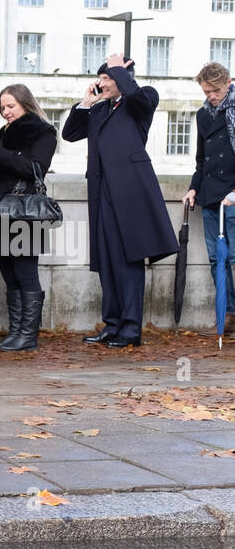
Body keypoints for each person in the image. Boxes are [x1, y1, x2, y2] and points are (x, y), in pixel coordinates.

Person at [63, 54, 178, 347]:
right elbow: (70, 133)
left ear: (123, 77)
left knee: (129, 261)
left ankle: (130, 328)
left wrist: (119, 69)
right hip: (102, 193)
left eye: (108, 78)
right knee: (107, 259)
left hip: (130, 194)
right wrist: (86, 102)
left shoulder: (142, 99)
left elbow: (139, 99)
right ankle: (112, 324)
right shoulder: (100, 110)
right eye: (100, 78)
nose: (102, 83)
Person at [0, 84, 58, 352]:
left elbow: (36, 168)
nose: (6, 111)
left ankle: (28, 335)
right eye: (3, 107)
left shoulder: (43, 131)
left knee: (25, 271)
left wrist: (1, 154)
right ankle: (16, 332)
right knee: (8, 272)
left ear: (25, 103)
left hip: (26, 211)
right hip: (0, 209)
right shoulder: (3, 133)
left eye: (10, 106)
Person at [183, 62, 235, 325]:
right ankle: (229, 313)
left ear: (228, 82)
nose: (211, 96)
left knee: (233, 256)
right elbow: (201, 160)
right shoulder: (203, 116)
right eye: (206, 92)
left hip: (233, 195)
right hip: (211, 194)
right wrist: (194, 187)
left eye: (215, 90)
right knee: (217, 259)